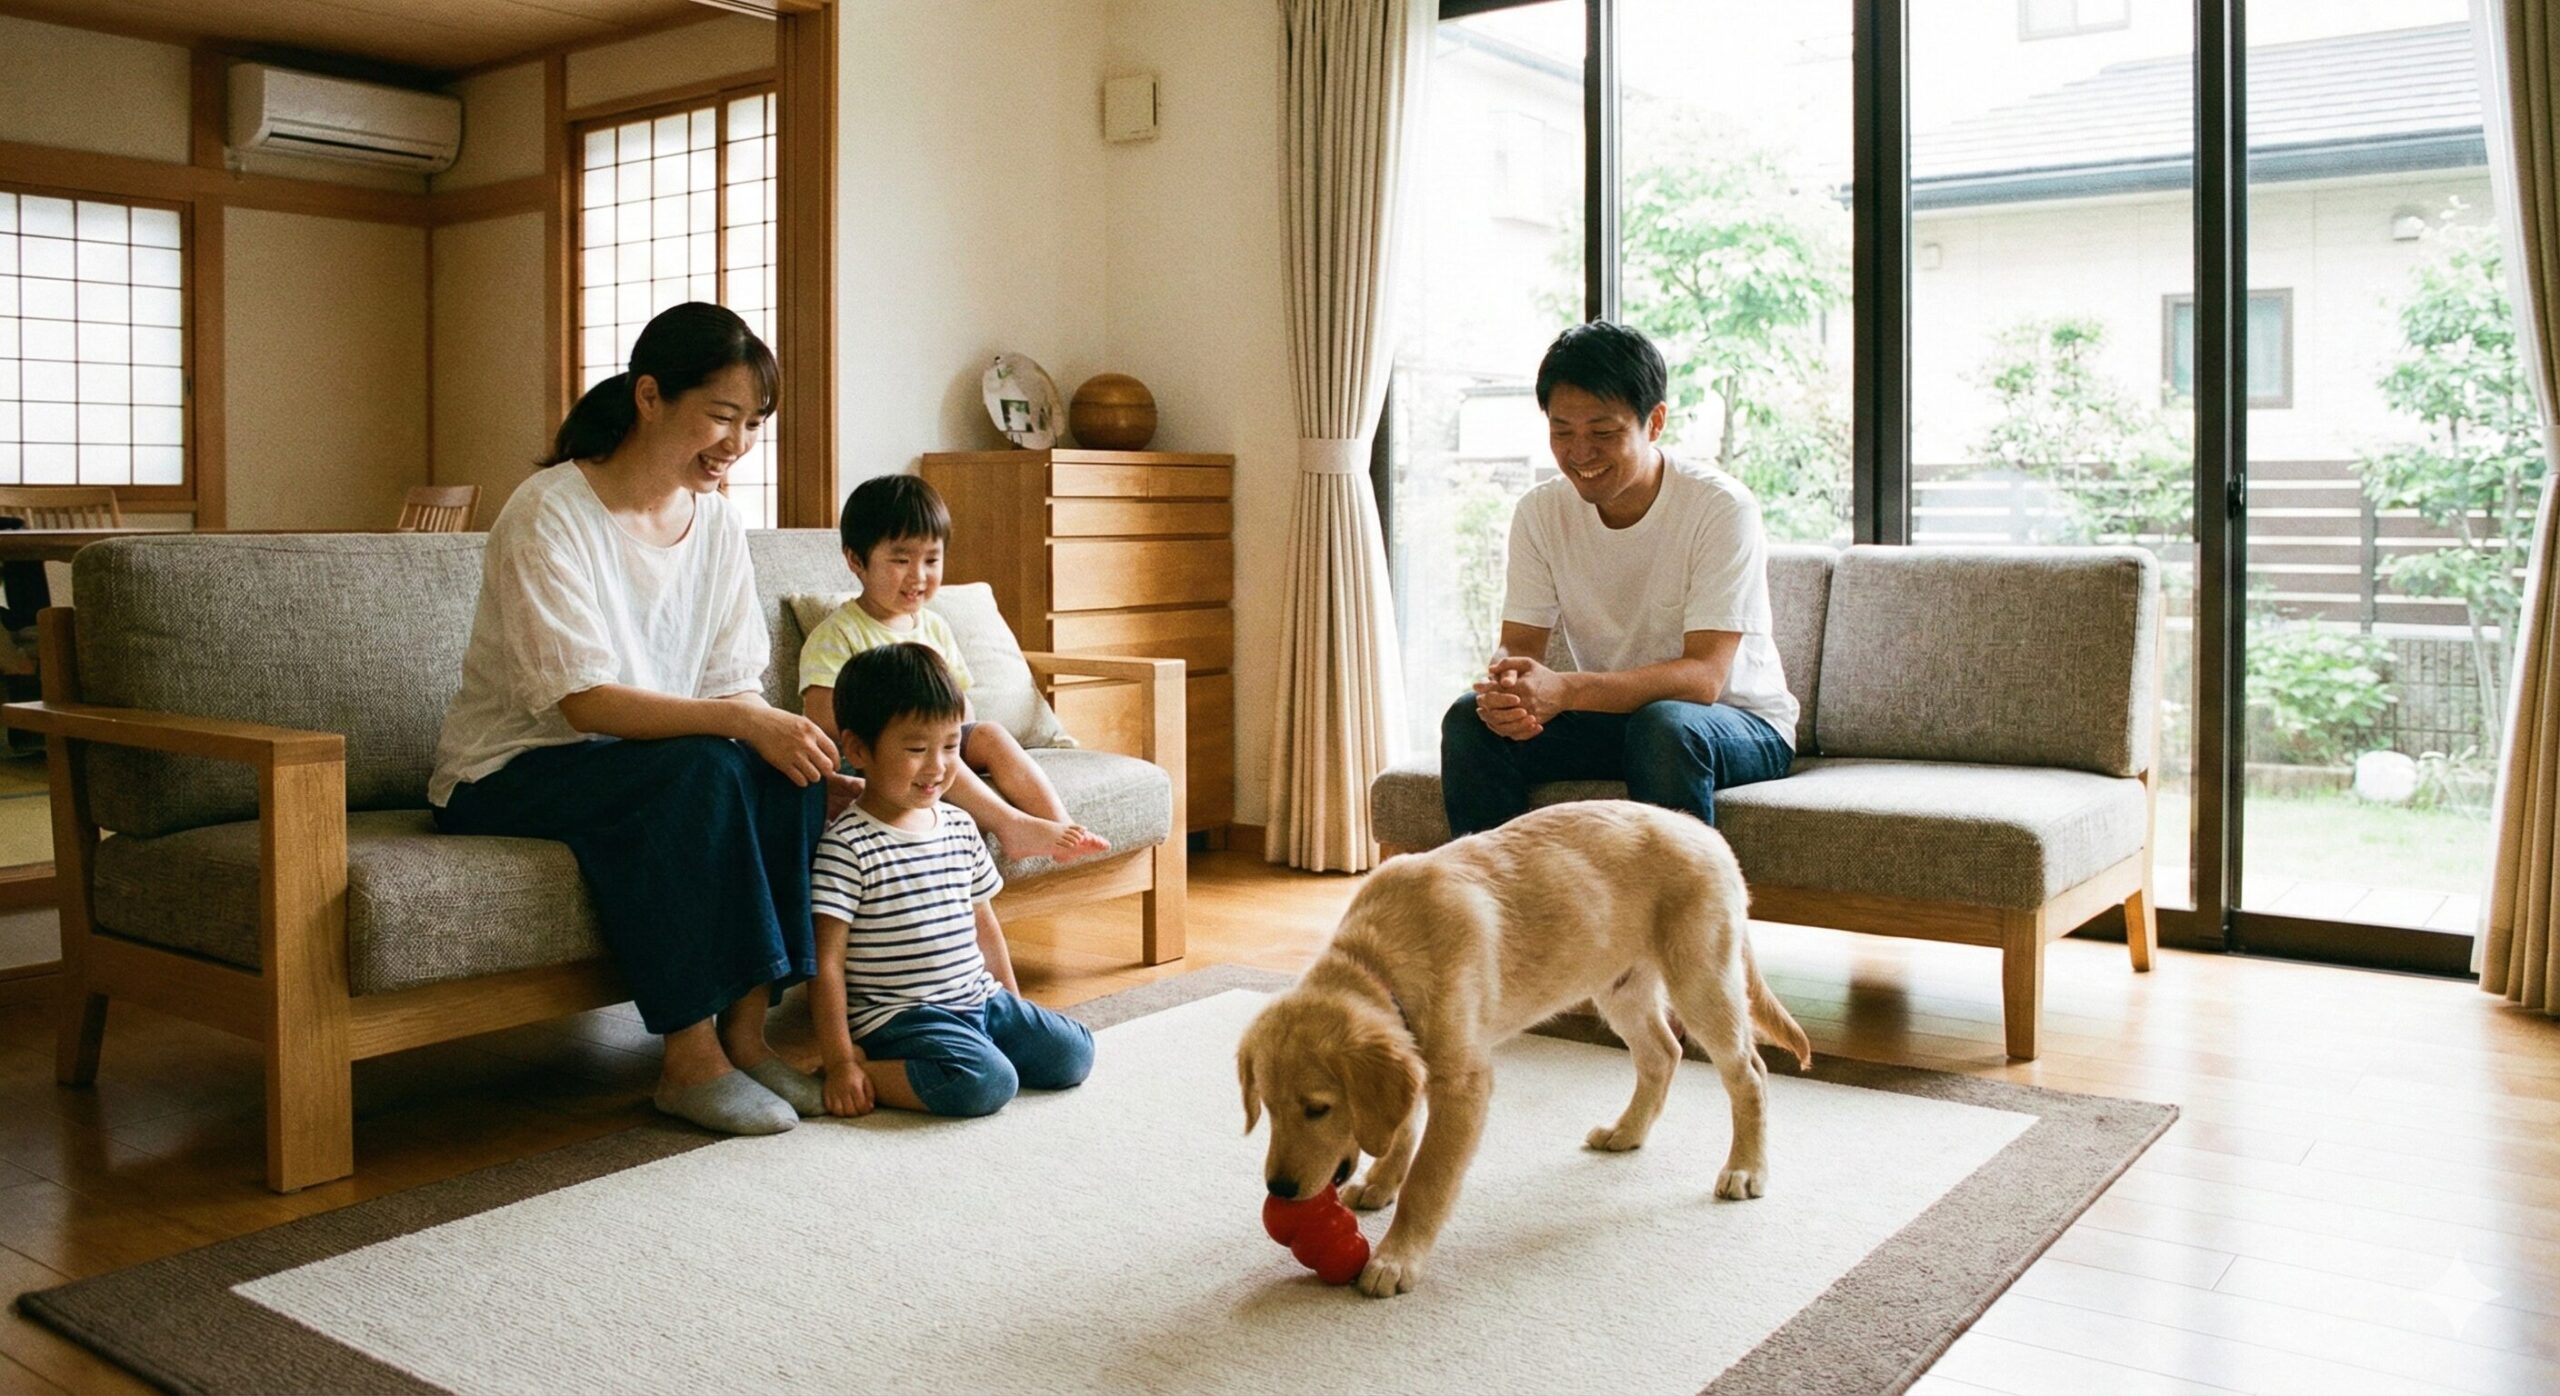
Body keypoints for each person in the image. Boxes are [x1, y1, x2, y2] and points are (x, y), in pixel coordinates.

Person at [431, 301, 833, 1137]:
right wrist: (740, 727)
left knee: (787, 765)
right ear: (650, 396)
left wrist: (779, 736)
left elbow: (732, 681)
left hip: (643, 761)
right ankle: (688, 1062)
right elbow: (583, 701)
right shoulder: (549, 511)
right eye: (721, 415)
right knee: (708, 764)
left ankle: (747, 1039)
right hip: (511, 771)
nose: (737, 443)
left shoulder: (716, 521)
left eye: (753, 423)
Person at [1442, 320, 1797, 836]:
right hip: (1623, 723)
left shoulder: (1720, 507)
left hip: (1736, 722)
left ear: (1655, 422)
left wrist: (1566, 689)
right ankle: (1499, 888)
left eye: (1603, 433)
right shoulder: (1540, 513)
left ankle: (1678, 893)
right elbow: (1518, 645)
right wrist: (1508, 689)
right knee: (1469, 719)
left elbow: (1703, 678)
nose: (1580, 453)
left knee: (1664, 726)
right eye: (1562, 432)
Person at [808, 642, 1096, 1118]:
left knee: (1075, 1052)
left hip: (978, 999)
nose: (938, 767)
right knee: (988, 1083)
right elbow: (827, 963)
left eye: (948, 747)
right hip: (901, 1019)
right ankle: (870, 1070)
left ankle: (974, 1051)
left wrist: (1012, 1005)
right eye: (916, 749)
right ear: (857, 750)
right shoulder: (848, 846)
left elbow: (984, 925)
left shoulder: (960, 825)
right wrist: (841, 1062)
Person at [798, 474, 1108, 865]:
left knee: (988, 734)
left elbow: (961, 702)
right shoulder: (837, 634)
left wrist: (951, 729)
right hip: (878, 756)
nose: (918, 575)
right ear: (856, 560)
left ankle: (1060, 825)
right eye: (901, 560)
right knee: (937, 750)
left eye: (931, 560)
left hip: (935, 743)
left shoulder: (934, 627)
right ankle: (1011, 825)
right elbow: (824, 721)